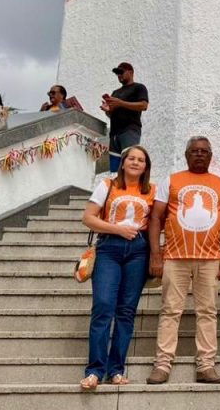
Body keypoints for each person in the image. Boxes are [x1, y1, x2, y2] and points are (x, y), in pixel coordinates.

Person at [147, 137, 220, 385]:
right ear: (187, 155)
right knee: (170, 310)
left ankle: (206, 366)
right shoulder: (172, 180)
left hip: (209, 259)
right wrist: (156, 254)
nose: (199, 155)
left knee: (207, 312)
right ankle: (162, 364)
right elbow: (156, 217)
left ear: (211, 156)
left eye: (204, 151)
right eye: (194, 151)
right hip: (175, 257)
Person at [79, 146, 156, 390]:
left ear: (146, 166)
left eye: (140, 160)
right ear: (123, 163)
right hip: (109, 248)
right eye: (131, 158)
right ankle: (95, 370)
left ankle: (116, 370)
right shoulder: (107, 185)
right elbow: (88, 217)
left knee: (126, 311)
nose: (135, 162)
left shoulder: (152, 190)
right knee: (103, 307)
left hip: (138, 251)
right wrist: (118, 229)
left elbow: (156, 222)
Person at [101, 62, 149, 158]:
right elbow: (112, 114)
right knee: (115, 169)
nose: (119, 75)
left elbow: (144, 105)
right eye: (117, 73)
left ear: (130, 73)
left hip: (129, 131)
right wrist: (108, 110)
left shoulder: (139, 87)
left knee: (129, 161)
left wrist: (120, 103)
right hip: (114, 134)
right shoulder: (115, 92)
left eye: (121, 72)